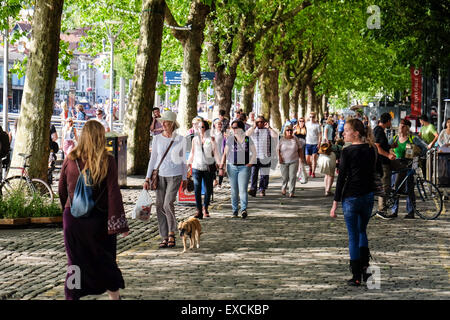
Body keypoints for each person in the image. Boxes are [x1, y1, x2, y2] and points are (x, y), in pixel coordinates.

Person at [58, 120, 129, 300]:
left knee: (74, 262)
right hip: (99, 221)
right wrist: (119, 224)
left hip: (73, 220)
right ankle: (114, 296)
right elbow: (113, 193)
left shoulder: (70, 158)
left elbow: (61, 188)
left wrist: (67, 210)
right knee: (105, 260)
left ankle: (72, 297)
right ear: (100, 137)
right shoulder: (107, 161)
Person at [330, 118, 377, 286]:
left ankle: (356, 275)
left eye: (346, 130)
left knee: (353, 236)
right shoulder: (371, 149)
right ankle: (365, 268)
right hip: (368, 196)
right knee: (362, 231)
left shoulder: (347, 151)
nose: (343, 133)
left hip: (351, 197)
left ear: (355, 133)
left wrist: (335, 202)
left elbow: (341, 178)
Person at [144, 110, 187, 249]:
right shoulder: (157, 139)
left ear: (173, 124)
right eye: (162, 121)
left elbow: (183, 161)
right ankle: (163, 236)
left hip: (175, 175)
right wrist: (147, 177)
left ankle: (171, 233)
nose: (163, 124)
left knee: (168, 203)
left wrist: (185, 177)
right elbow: (153, 159)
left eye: (166, 122)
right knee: (159, 204)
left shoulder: (181, 139)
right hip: (160, 175)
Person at [388, 119, 428, 219]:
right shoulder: (394, 138)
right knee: (395, 188)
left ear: (408, 128)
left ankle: (411, 212)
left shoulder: (412, 139)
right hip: (396, 164)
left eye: (403, 125)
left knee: (409, 188)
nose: (401, 127)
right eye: (400, 125)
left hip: (408, 165)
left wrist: (417, 156)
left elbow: (425, 148)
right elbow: (386, 147)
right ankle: (394, 211)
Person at [219, 120, 256, 218]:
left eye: (235, 127)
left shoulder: (247, 139)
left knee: (243, 189)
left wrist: (250, 163)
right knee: (234, 190)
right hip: (232, 166)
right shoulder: (230, 139)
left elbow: (254, 152)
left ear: (241, 128)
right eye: (232, 128)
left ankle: (243, 209)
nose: (233, 129)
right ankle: (235, 210)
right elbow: (225, 154)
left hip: (244, 167)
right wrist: (221, 167)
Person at [187, 120, 220, 219]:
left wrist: (220, 164)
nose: (199, 129)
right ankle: (199, 210)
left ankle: (205, 207)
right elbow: (192, 153)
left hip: (208, 167)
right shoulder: (195, 139)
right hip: (197, 167)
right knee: (197, 189)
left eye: (201, 127)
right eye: (198, 127)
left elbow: (216, 152)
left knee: (208, 189)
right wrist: (188, 164)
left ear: (205, 128)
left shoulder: (211, 139)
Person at [246, 115, 278, 197]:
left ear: (264, 122)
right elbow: (246, 135)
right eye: (258, 122)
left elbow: (275, 136)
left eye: (261, 122)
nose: (260, 123)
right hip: (254, 156)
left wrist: (269, 127)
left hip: (265, 156)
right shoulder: (253, 130)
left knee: (264, 175)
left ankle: (262, 189)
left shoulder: (267, 130)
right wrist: (253, 127)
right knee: (254, 174)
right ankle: (253, 189)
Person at [373, 112, 396, 219]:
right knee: (385, 184)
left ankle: (386, 205)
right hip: (382, 162)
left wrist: (390, 146)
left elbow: (382, 145)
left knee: (387, 184)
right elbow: (377, 147)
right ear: (387, 121)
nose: (391, 123)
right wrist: (388, 154)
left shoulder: (380, 130)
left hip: (384, 161)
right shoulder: (378, 131)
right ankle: (381, 209)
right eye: (390, 121)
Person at [277, 124, 302, 198]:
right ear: (285, 131)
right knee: (285, 177)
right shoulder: (282, 139)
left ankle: (291, 192)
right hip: (284, 161)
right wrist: (280, 158)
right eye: (288, 130)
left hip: (294, 160)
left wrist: (301, 159)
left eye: (291, 130)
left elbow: (300, 149)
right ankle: (284, 187)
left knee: (292, 176)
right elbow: (278, 149)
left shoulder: (295, 139)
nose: (289, 131)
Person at [305, 112, 322, 178]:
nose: (311, 118)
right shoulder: (307, 124)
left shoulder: (317, 125)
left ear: (315, 117)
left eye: (312, 117)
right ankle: (310, 167)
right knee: (307, 160)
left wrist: (319, 143)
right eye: (310, 117)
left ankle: (313, 172)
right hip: (308, 143)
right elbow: (300, 126)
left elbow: (320, 135)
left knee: (314, 158)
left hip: (315, 144)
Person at [212, 118, 226, 188]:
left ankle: (220, 183)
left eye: (220, 124)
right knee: (214, 168)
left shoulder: (223, 133)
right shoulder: (212, 133)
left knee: (221, 169)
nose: (220, 125)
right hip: (214, 153)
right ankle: (215, 180)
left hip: (221, 152)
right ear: (215, 125)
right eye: (218, 124)